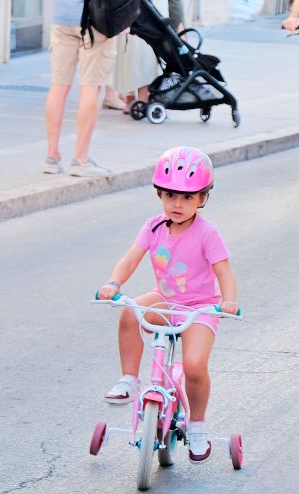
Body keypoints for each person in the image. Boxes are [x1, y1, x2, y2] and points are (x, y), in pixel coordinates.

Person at [96, 147, 239, 462]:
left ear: (202, 198)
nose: (178, 204)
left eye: (188, 197)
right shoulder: (153, 227)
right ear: (159, 194)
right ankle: (130, 379)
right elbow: (131, 258)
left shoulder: (207, 233)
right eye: (171, 195)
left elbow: (223, 272)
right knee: (131, 313)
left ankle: (198, 426)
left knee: (194, 366)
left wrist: (228, 301)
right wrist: (113, 284)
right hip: (166, 299)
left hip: (200, 307)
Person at [43, 0, 117, 177]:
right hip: (96, 18)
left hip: (61, 17)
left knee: (58, 86)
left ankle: (51, 157)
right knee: (91, 87)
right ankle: (80, 159)